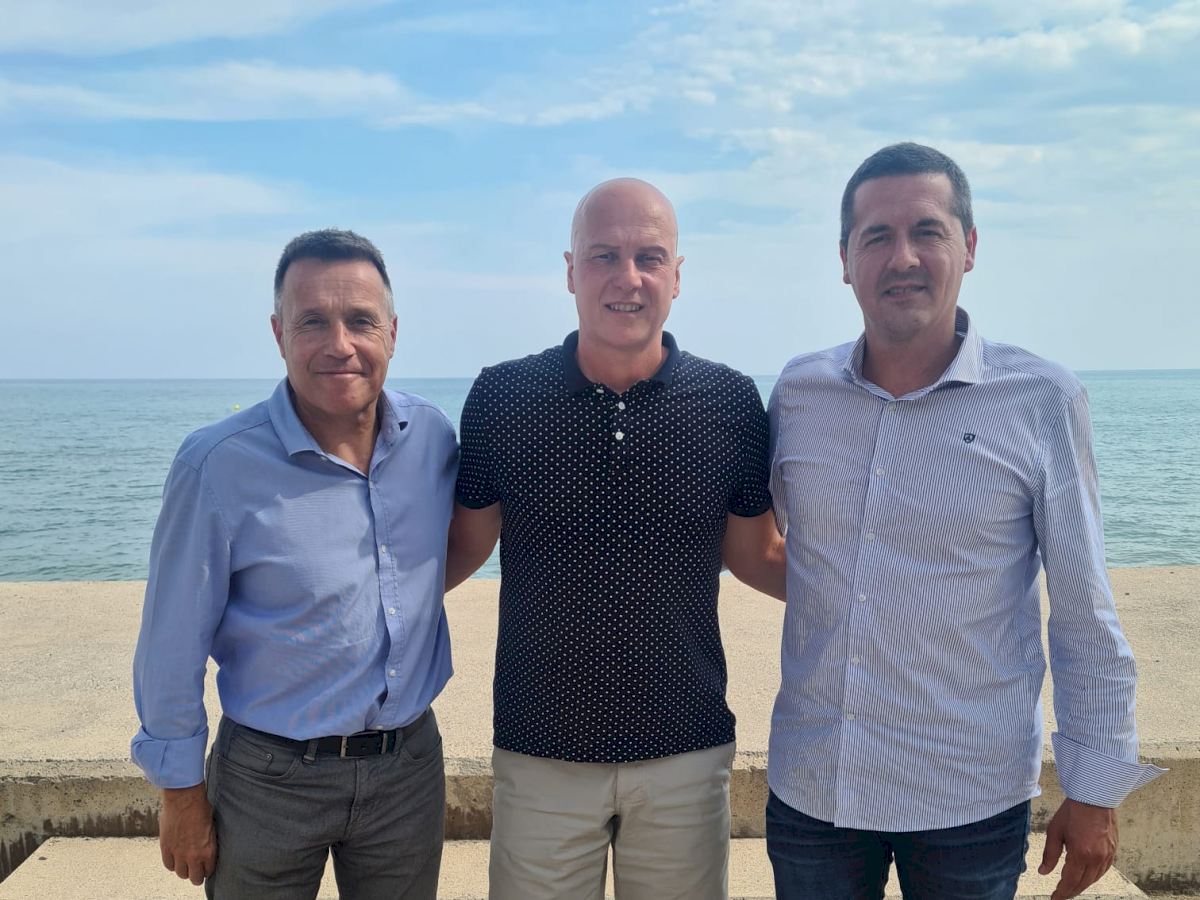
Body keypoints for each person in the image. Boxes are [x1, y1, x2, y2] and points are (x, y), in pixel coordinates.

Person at [752, 143, 1165, 900]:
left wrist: (1095, 786)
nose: (902, 257)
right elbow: (772, 543)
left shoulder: (1041, 399)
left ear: (969, 247)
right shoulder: (800, 394)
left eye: (928, 231)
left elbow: (1082, 607)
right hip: (815, 785)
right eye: (876, 236)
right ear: (844, 260)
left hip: (969, 798)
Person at [445, 178, 783, 900]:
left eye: (649, 257)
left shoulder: (729, 402)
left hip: (685, 750)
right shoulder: (502, 398)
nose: (627, 277)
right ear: (571, 271)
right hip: (540, 751)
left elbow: (757, 555)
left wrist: (898, 595)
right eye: (604, 256)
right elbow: (459, 550)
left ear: (676, 276)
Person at [131, 229, 458, 898]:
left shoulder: (431, 438)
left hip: (407, 769)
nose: (340, 344)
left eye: (360, 320)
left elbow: (436, 559)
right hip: (269, 780)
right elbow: (171, 642)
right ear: (279, 334)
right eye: (313, 322)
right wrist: (180, 793)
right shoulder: (216, 464)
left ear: (393, 332)